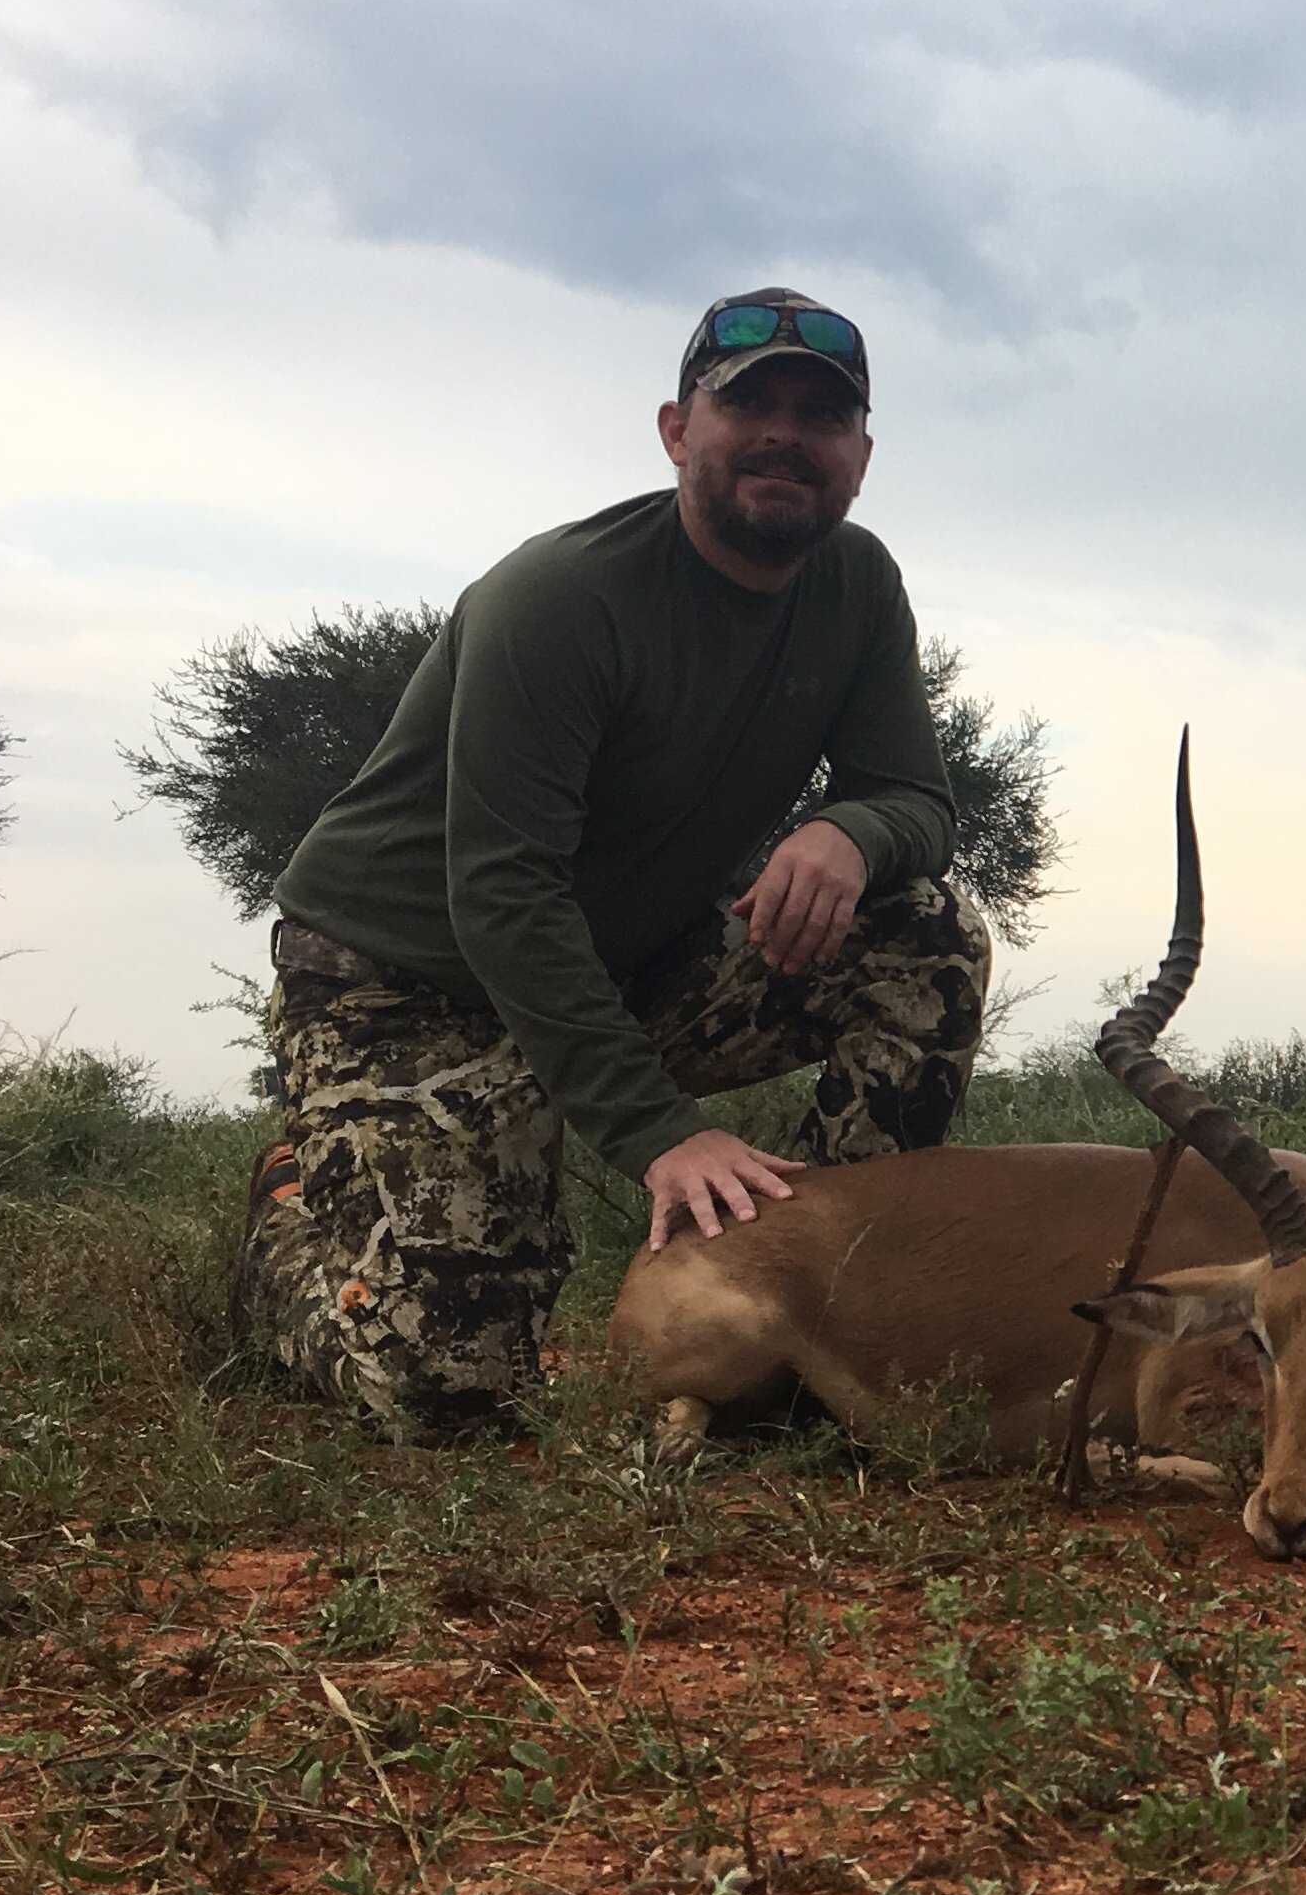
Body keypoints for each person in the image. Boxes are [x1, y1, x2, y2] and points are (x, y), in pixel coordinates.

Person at [233, 287, 989, 1439]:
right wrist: (660, 1133)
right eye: (750, 406)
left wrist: (849, 831)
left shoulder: (858, 585)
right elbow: (502, 892)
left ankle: (833, 1310)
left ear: (861, 458)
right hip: (402, 987)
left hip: (629, 958)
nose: (787, 433)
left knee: (926, 934)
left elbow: (916, 800)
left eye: (821, 415)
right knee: (454, 1405)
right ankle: (291, 1223)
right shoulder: (560, 596)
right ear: (678, 431)